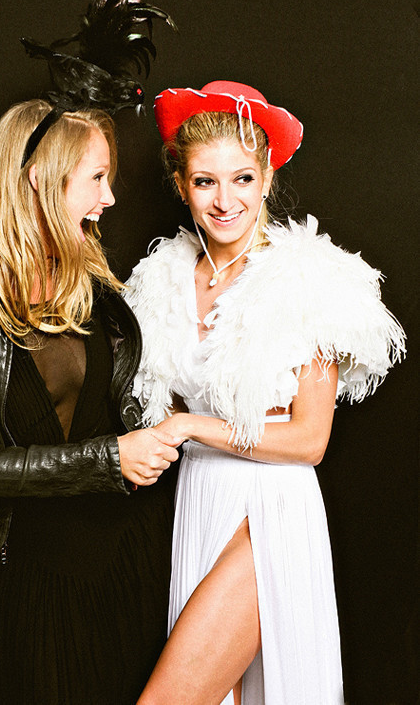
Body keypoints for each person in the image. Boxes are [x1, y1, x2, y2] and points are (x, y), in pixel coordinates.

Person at [124, 81, 406, 704]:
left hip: (270, 513)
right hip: (200, 503)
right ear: (181, 185)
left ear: (268, 178)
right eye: (205, 182)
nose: (225, 201)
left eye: (243, 179)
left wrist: (189, 427)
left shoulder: (308, 279)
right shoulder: (162, 280)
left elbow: (309, 441)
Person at [0, 99, 180, 704]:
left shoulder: (96, 285)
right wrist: (112, 458)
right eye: (96, 178)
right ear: (39, 178)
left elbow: (125, 402)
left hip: (135, 556)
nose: (110, 198)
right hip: (40, 577)